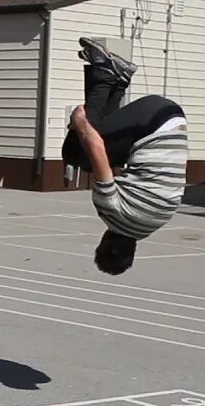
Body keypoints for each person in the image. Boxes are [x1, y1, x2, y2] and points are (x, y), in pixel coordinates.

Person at [63, 37, 189, 276]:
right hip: (152, 121)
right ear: (103, 242)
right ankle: (104, 72)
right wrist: (79, 123)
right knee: (76, 152)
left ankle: (119, 78)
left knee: (100, 149)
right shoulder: (111, 211)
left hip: (173, 119)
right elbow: (96, 145)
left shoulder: (153, 224)